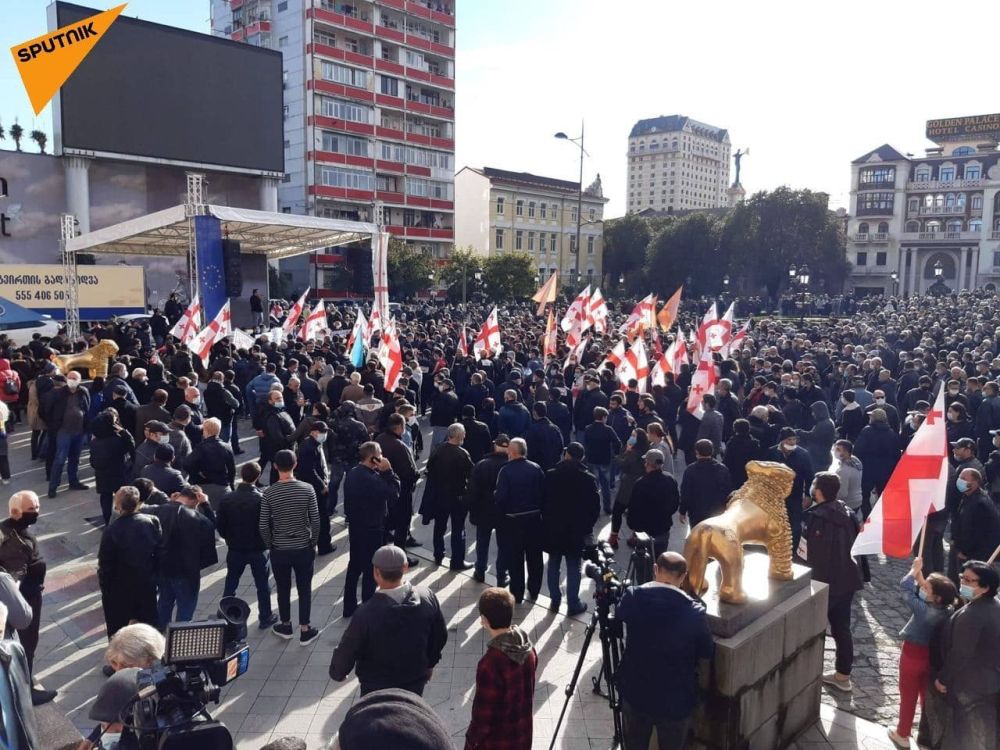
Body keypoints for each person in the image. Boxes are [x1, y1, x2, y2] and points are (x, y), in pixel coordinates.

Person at [616, 552, 714, 750]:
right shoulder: (694, 613)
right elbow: (706, 651)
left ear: (655, 570)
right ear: (684, 576)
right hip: (675, 701)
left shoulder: (634, 597)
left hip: (636, 694)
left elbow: (620, 613)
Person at [330, 545, 448, 696]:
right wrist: (430, 663)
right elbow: (440, 636)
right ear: (405, 567)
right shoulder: (427, 597)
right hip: (415, 683)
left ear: (376, 572)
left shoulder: (365, 614)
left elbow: (347, 649)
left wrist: (338, 672)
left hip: (375, 690)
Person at [798, 472, 864, 693]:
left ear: (817, 491)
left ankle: (805, 675)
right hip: (847, 578)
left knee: (811, 629)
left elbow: (805, 553)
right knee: (841, 627)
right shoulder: (847, 511)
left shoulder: (814, 517)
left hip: (822, 582)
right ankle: (843, 674)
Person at [887, 556, 957, 748]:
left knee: (908, 695)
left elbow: (905, 588)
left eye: (927, 589)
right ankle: (927, 734)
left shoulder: (923, 610)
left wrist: (914, 570)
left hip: (912, 655)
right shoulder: (949, 609)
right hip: (931, 658)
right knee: (925, 696)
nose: (923, 589)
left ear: (937, 597)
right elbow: (928, 590)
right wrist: (922, 578)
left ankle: (902, 733)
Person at [933, 560, 1000, 750]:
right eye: (963, 577)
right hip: (989, 681)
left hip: (970, 684)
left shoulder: (973, 615)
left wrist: (943, 679)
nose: (963, 583)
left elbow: (961, 652)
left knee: (963, 735)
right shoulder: (993, 605)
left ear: (985, 587)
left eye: (970, 581)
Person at [0, 490, 56, 705]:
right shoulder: (16, 543)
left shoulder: (10, 529)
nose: (36, 512)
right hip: (24, 600)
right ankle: (26, 691)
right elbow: (15, 579)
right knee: (26, 644)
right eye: (31, 509)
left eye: (37, 507)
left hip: (24, 597)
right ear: (15, 512)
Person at [464, 587, 538, 750]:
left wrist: (471, 743)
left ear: (484, 620)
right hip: (523, 735)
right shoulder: (528, 648)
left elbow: (483, 716)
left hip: (498, 742)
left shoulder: (491, 663)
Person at [259, 449, 320, 645]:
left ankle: (285, 625)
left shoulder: (268, 493)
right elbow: (316, 520)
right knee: (304, 588)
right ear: (296, 465)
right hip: (303, 546)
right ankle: (305, 628)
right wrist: (313, 542)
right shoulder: (307, 489)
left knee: (283, 587)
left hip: (280, 548)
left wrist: (271, 544)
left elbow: (262, 525)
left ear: (275, 466)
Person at [145, 485, 217, 628]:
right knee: (186, 606)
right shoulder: (198, 519)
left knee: (164, 602)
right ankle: (179, 637)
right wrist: (206, 505)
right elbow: (211, 527)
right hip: (186, 571)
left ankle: (159, 633)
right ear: (197, 498)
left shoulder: (159, 511)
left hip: (162, 567)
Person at [217, 462, 278, 631]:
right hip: (258, 549)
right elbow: (269, 525)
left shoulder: (227, 498)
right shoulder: (262, 499)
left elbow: (220, 526)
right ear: (257, 477)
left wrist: (229, 538)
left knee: (231, 583)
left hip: (235, 548)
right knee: (262, 585)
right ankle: (265, 616)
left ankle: (225, 616)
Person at [343, 442, 400, 617]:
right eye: (380, 454)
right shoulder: (372, 478)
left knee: (354, 566)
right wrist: (389, 471)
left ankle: (349, 607)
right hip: (372, 528)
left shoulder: (353, 473)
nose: (382, 456)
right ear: (372, 457)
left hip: (356, 526)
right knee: (370, 569)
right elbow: (394, 492)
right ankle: (368, 610)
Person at [541, 442, 599, 615]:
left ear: (566, 455)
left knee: (553, 564)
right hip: (576, 531)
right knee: (574, 566)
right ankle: (573, 602)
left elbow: (542, 501)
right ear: (582, 458)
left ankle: (555, 599)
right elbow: (595, 508)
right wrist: (587, 526)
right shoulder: (588, 479)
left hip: (554, 528)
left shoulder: (551, 475)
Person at [98, 486, 162, 637]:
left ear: (118, 505)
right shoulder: (151, 522)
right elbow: (160, 552)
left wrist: (106, 590)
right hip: (146, 585)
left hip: (119, 589)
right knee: (147, 629)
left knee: (117, 631)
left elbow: (105, 566)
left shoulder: (111, 531)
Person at [495, 437, 545, 603]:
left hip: (513, 521)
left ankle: (517, 593)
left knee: (515, 558)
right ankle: (534, 589)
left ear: (512, 452)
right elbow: (543, 493)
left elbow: (500, 498)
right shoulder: (536, 468)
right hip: (534, 519)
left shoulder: (506, 471)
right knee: (535, 557)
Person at [425, 423, 474, 569]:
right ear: (460, 436)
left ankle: (438, 554)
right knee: (458, 528)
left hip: (440, 495)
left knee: (439, 526)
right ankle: (457, 560)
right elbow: (471, 473)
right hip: (457, 496)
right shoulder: (462, 454)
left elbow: (429, 468)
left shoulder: (438, 449)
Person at [467, 435, 510, 585]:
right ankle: (501, 574)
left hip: (483, 510)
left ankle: (480, 570)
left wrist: (471, 508)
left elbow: (472, 490)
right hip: (504, 512)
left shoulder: (482, 464)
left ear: (494, 446)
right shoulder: (510, 466)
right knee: (503, 544)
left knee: (482, 541)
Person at [374, 413, 419, 557]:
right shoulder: (399, 446)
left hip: (382, 490)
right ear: (399, 427)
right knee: (402, 525)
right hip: (401, 492)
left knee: (385, 525)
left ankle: (381, 555)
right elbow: (410, 472)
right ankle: (401, 556)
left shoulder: (379, 439)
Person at [948, 467, 1000, 584]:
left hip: (974, 554)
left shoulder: (979, 503)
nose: (959, 480)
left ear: (975, 482)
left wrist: (965, 552)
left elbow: (974, 532)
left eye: (963, 478)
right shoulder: (969, 496)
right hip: (969, 550)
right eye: (959, 477)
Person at [769, 427, 815, 555]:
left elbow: (810, 476)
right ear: (782, 441)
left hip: (795, 494)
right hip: (775, 495)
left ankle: (793, 550)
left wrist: (808, 495)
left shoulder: (803, 454)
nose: (793, 443)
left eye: (794, 439)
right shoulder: (771, 452)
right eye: (789, 440)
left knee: (795, 524)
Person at [627, 449, 680, 557]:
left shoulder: (641, 483)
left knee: (643, 562)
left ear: (648, 463)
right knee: (660, 559)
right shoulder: (670, 479)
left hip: (644, 531)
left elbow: (633, 508)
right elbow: (675, 503)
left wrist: (633, 527)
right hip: (663, 528)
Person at [47, 370, 90, 498]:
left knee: (75, 458)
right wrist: (54, 426)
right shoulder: (57, 393)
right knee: (60, 459)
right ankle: (53, 486)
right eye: (70, 377)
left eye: (75, 378)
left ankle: (73, 482)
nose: (72, 379)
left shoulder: (83, 392)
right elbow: (46, 410)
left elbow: (87, 409)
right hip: (63, 431)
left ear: (79, 380)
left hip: (79, 431)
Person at [295, 420, 336, 556]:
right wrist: (322, 485)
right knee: (322, 518)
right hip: (315, 488)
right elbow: (309, 471)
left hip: (313, 486)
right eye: (321, 432)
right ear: (313, 432)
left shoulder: (312, 444)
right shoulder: (309, 448)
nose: (324, 435)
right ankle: (324, 545)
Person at [88, 409, 136, 525]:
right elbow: (131, 446)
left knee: (105, 499)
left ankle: (107, 521)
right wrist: (124, 432)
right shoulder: (118, 440)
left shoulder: (95, 442)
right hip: (118, 473)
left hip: (102, 475)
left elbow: (93, 461)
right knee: (123, 498)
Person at [608, 428, 649, 549]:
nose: (631, 437)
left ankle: (614, 537)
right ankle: (634, 536)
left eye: (634, 436)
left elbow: (623, 464)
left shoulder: (633, 453)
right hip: (639, 486)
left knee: (617, 511)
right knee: (637, 513)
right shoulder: (646, 450)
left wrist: (621, 454)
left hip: (628, 487)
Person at [679, 439, 733, 529]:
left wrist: (682, 511)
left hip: (697, 513)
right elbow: (729, 491)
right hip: (718, 513)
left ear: (697, 452)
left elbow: (686, 493)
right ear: (712, 451)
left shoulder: (691, 470)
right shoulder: (722, 469)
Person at [183, 417, 236, 508]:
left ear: (205, 431)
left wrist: (197, 476)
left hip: (204, 487)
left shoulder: (200, 448)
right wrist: (230, 484)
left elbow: (187, 464)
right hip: (222, 485)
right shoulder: (227, 447)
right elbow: (232, 470)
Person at [584, 406, 621, 514]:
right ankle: (607, 508)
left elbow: (585, 444)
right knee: (605, 486)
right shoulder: (608, 429)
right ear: (604, 417)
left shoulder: (588, 429)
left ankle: (593, 508)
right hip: (605, 460)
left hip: (591, 460)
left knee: (593, 486)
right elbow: (617, 443)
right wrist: (615, 453)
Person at [523, 402, 564, 472]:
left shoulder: (533, 429)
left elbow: (530, 449)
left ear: (534, 412)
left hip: (539, 466)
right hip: (553, 464)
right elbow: (560, 446)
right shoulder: (555, 428)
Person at [723, 418, 759, 487]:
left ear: (735, 429)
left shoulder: (732, 443)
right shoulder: (754, 443)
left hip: (735, 473)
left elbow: (727, 460)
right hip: (749, 473)